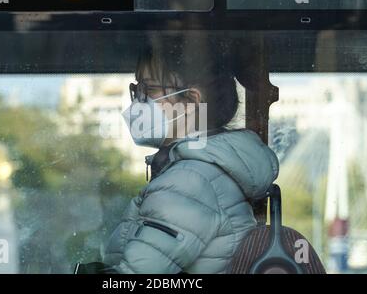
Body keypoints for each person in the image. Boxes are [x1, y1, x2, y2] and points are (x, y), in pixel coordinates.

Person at [101, 40, 279, 274]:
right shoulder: (202, 171)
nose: (137, 101)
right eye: (136, 90)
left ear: (191, 101)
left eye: (149, 90)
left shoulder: (190, 181)